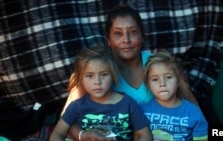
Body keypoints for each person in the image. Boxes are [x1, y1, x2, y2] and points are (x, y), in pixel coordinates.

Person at [63, 4, 198, 141]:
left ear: (142, 36)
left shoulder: (158, 65)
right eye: (118, 33)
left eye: (133, 32)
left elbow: (194, 109)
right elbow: (66, 120)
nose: (126, 40)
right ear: (108, 39)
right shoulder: (97, 70)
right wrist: (83, 135)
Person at [49, 45, 152, 141]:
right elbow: (56, 134)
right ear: (81, 79)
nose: (97, 82)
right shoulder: (77, 106)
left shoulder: (128, 104)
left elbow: (145, 135)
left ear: (113, 75)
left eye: (104, 75)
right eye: (90, 76)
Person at [141, 51, 208, 141]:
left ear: (179, 81)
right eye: (155, 79)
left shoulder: (193, 112)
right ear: (148, 85)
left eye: (168, 77)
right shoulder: (141, 111)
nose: (162, 83)